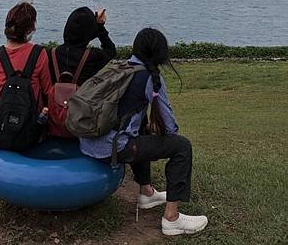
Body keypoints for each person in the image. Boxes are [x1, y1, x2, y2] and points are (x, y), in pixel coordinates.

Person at [79, 27, 208, 237]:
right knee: (182, 146)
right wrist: (161, 132)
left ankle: (147, 193)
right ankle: (172, 219)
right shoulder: (149, 78)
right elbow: (171, 127)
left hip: (87, 142)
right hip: (113, 149)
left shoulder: (118, 67)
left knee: (140, 128)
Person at [0, 1, 52, 106]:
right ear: (29, 29)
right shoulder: (39, 54)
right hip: (31, 116)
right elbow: (47, 90)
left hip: (3, 117)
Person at [48, 6, 117, 86]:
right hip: (82, 97)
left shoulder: (50, 54)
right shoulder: (92, 56)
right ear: (89, 32)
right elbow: (111, 51)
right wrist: (100, 26)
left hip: (54, 98)